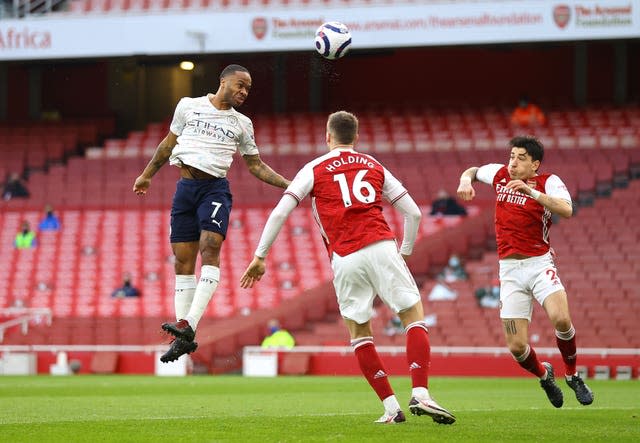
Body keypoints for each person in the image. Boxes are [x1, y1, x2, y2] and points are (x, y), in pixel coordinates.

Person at [241, 111, 455, 425]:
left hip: (344, 257)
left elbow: (280, 212)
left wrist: (260, 256)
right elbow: (413, 214)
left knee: (359, 333)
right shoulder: (373, 164)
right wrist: (404, 251)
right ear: (356, 137)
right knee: (412, 317)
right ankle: (420, 392)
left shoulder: (314, 168)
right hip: (382, 246)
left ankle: (391, 407)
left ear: (328, 137)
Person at [132, 64, 290, 364]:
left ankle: (189, 323)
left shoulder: (242, 123)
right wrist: (146, 175)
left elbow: (255, 165)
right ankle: (183, 333)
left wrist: (291, 184)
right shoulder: (188, 106)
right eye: (240, 85)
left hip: (214, 190)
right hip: (184, 190)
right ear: (223, 81)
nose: (244, 92)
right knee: (182, 260)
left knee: (210, 248)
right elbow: (168, 144)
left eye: (248, 89)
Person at [456, 135, 593, 408]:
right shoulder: (499, 175)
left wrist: (531, 192)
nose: (513, 163)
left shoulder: (548, 182)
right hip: (509, 271)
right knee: (517, 348)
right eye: (511, 156)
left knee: (561, 319)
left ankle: (573, 374)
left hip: (539, 265)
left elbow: (567, 209)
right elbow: (472, 171)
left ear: (535, 164)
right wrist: (464, 181)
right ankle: (545, 376)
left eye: (520, 158)